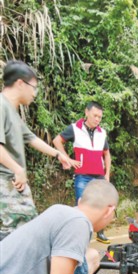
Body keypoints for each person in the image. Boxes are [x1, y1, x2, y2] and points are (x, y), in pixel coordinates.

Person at [0, 60, 71, 240]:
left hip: (14, 186)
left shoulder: (12, 111)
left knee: (24, 234)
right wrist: (17, 169)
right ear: (20, 84)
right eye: (34, 87)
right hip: (6, 186)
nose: (34, 93)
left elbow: (31, 138)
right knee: (12, 237)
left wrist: (58, 154)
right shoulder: (1, 106)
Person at [53, 101, 112, 244]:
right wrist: (67, 159)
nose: (97, 119)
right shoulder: (74, 129)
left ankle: (100, 232)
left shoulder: (101, 133)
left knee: (101, 204)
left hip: (99, 177)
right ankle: (79, 236)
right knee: (82, 206)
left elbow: (107, 154)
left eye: (100, 117)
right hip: (82, 176)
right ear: (86, 112)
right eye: (95, 115)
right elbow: (57, 141)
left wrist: (107, 175)